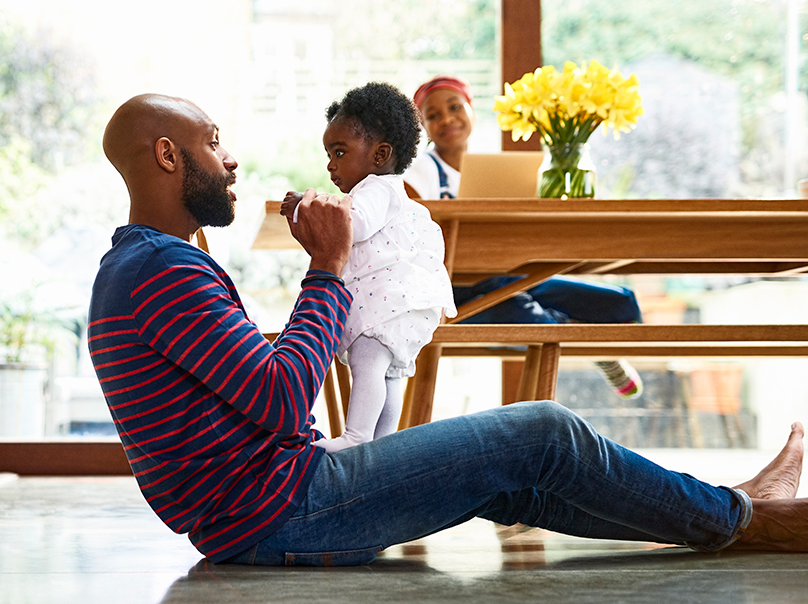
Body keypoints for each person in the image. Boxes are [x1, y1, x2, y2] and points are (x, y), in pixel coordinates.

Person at [89, 92, 808, 567]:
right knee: (541, 433)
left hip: (259, 513)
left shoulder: (145, 266)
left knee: (517, 482)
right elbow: (283, 398)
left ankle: (726, 513)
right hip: (284, 510)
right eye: (215, 144)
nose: (232, 158)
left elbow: (259, 388)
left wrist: (328, 303)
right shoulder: (162, 270)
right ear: (167, 156)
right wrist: (331, 267)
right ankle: (749, 517)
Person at [404, 74, 644, 399]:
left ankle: (574, 333)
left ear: (472, 109)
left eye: (454, 107)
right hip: (458, 291)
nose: (446, 118)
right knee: (525, 319)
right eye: (432, 115)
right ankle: (589, 345)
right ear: (423, 126)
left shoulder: (499, 170)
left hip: (508, 275)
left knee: (621, 305)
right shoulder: (421, 169)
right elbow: (411, 232)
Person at [279, 82, 455, 453]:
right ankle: (381, 446)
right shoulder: (387, 189)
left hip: (384, 305)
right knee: (387, 374)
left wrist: (303, 206)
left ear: (380, 155)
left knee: (367, 364)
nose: (330, 165)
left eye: (339, 152)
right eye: (328, 154)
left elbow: (349, 227)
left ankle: (357, 436)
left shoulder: (376, 189)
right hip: (397, 305)